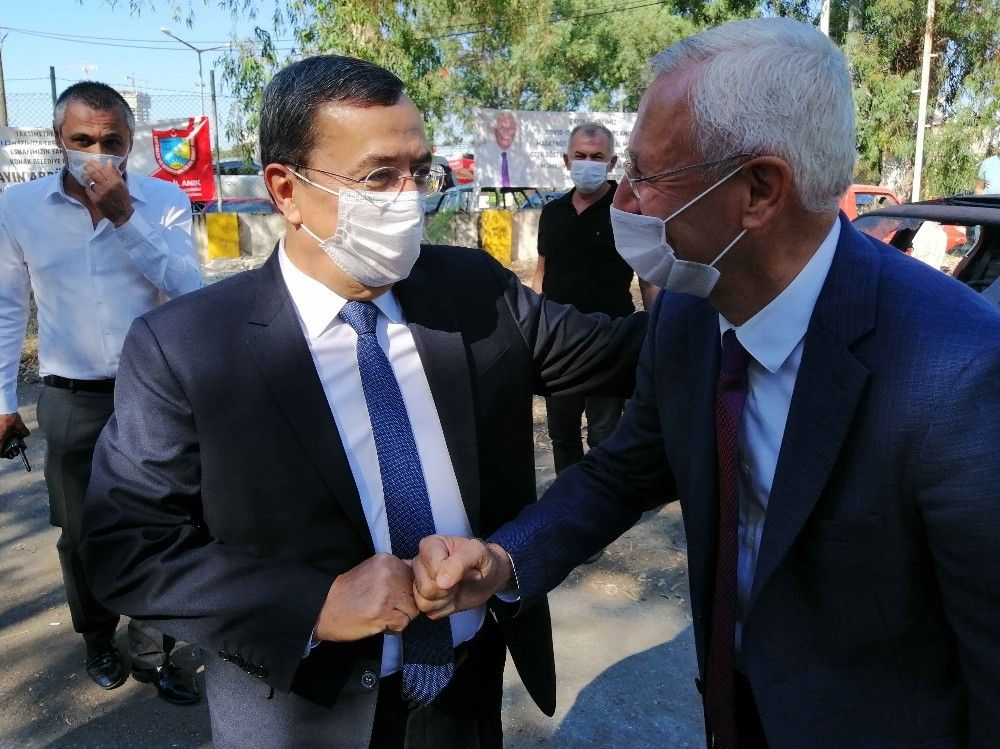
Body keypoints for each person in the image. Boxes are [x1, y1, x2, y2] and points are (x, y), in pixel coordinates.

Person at [412, 18, 1000, 748]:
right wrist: (504, 560)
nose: (622, 202)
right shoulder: (687, 314)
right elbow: (624, 472)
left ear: (759, 191)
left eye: (647, 177)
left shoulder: (957, 372)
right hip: (730, 709)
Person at [79, 55, 646, 748]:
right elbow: (125, 546)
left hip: (465, 688)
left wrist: (700, 261)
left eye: (420, 171)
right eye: (379, 176)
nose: (408, 199)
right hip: (303, 711)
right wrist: (315, 605)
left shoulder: (473, 291)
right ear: (286, 190)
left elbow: (635, 354)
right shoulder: (188, 346)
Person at [0, 82, 202, 704]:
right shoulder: (19, 208)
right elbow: (7, 308)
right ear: (59, 139)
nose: (96, 153)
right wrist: (3, 400)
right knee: (79, 530)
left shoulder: (162, 201)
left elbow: (189, 293)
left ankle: (154, 648)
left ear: (130, 141)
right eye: (81, 139)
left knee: (164, 522)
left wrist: (124, 218)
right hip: (70, 396)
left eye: (110, 141)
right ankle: (97, 638)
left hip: (153, 393)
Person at [531, 122, 659, 478]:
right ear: (566, 160)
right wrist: (530, 333)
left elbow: (648, 279)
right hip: (557, 344)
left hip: (610, 343)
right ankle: (566, 498)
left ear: (612, 162)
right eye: (581, 156)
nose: (588, 163)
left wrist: (653, 336)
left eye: (597, 156)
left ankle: (602, 496)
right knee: (562, 434)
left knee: (604, 435)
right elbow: (541, 274)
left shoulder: (628, 213)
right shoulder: (553, 213)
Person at [476, 112, 530, 188]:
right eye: (502, 127)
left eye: (510, 128)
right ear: (495, 131)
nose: (506, 132)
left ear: (514, 132)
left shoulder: (522, 158)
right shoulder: (482, 154)